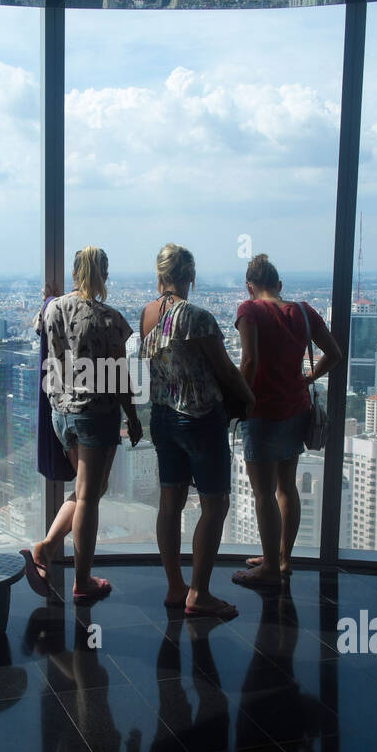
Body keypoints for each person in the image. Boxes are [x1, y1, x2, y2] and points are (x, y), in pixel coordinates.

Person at [139, 243, 253, 620]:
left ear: (160, 276)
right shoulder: (198, 317)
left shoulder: (147, 314)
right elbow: (224, 368)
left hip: (162, 417)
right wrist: (248, 399)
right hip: (199, 418)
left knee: (169, 502)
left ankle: (175, 587)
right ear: (189, 276)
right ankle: (198, 593)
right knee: (215, 503)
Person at [22, 247, 142, 604]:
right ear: (104, 274)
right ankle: (83, 579)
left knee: (89, 490)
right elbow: (119, 375)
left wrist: (49, 297)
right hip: (95, 415)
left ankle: (45, 547)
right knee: (90, 496)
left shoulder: (54, 309)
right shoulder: (110, 319)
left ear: (75, 272)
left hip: (62, 415)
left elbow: (42, 326)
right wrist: (133, 417)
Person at [231, 254, 341, 585]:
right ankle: (282, 559)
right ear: (279, 285)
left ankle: (267, 569)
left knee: (262, 493)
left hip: (261, 411)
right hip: (297, 409)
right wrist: (308, 379)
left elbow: (249, 360)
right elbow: (334, 354)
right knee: (286, 487)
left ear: (249, 287)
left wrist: (238, 398)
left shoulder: (248, 310)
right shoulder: (304, 311)